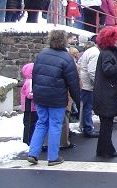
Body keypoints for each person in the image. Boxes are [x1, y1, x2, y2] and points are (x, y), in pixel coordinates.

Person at [26, 29, 81, 166]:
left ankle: (33, 153)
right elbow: (73, 82)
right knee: (55, 125)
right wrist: (78, 100)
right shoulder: (67, 58)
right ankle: (53, 157)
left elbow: (35, 75)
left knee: (41, 123)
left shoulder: (41, 54)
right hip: (57, 98)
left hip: (40, 96)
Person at [93, 26, 117, 158]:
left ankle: (102, 150)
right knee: (107, 125)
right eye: (116, 38)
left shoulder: (106, 52)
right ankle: (108, 150)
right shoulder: (107, 54)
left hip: (104, 92)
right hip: (106, 94)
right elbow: (108, 70)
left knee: (106, 124)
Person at [77, 37, 100, 138]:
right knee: (88, 107)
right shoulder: (95, 53)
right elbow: (92, 71)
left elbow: (79, 64)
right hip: (88, 85)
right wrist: (97, 84)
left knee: (86, 106)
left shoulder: (89, 51)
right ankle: (88, 128)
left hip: (84, 83)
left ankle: (85, 126)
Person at [20, 62, 37, 145]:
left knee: (28, 122)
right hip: (31, 106)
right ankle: (29, 139)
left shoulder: (27, 80)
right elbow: (29, 95)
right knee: (31, 123)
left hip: (28, 106)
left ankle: (27, 139)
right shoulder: (30, 81)